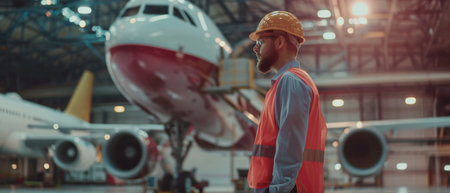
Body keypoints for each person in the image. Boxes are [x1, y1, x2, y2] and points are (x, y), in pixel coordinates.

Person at [247, 11, 328, 193]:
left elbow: (290, 145)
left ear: (280, 42)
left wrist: (277, 189)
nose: (255, 48)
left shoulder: (290, 82)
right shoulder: (288, 82)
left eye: (260, 42)